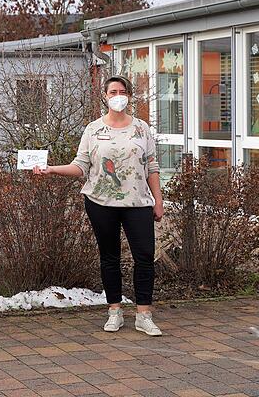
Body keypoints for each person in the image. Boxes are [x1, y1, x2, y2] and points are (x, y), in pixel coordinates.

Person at [33, 75, 165, 336]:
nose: (118, 95)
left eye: (122, 91)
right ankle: (114, 310)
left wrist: (158, 199)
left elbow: (152, 166)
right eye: (113, 91)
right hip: (101, 202)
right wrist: (50, 170)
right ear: (104, 96)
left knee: (145, 256)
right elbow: (80, 166)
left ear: (129, 95)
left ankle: (144, 314)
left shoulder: (142, 128)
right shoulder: (93, 130)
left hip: (137, 202)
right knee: (110, 256)